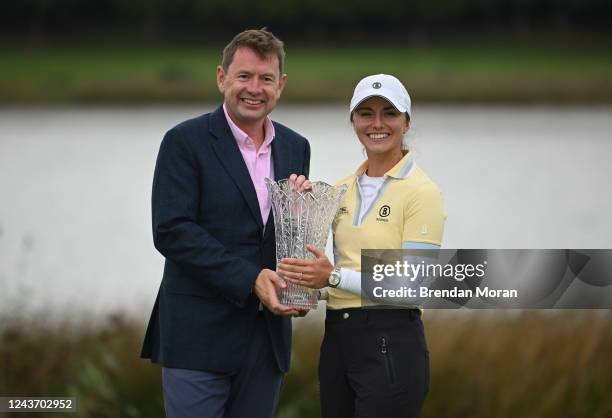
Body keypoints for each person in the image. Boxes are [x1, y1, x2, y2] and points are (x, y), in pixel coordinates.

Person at [140, 29, 311, 418]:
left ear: (280, 85)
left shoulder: (296, 146)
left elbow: (284, 240)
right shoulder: (184, 141)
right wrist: (251, 278)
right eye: (244, 76)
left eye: (266, 78)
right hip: (197, 336)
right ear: (222, 78)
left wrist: (300, 267)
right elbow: (172, 230)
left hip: (267, 340)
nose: (255, 88)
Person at [278, 74, 445, 418]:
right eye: (366, 113)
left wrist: (332, 278)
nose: (377, 124)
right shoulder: (340, 189)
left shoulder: (421, 191)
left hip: (392, 343)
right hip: (339, 338)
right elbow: (331, 277)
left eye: (390, 113)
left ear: (406, 122)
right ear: (353, 120)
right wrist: (307, 284)